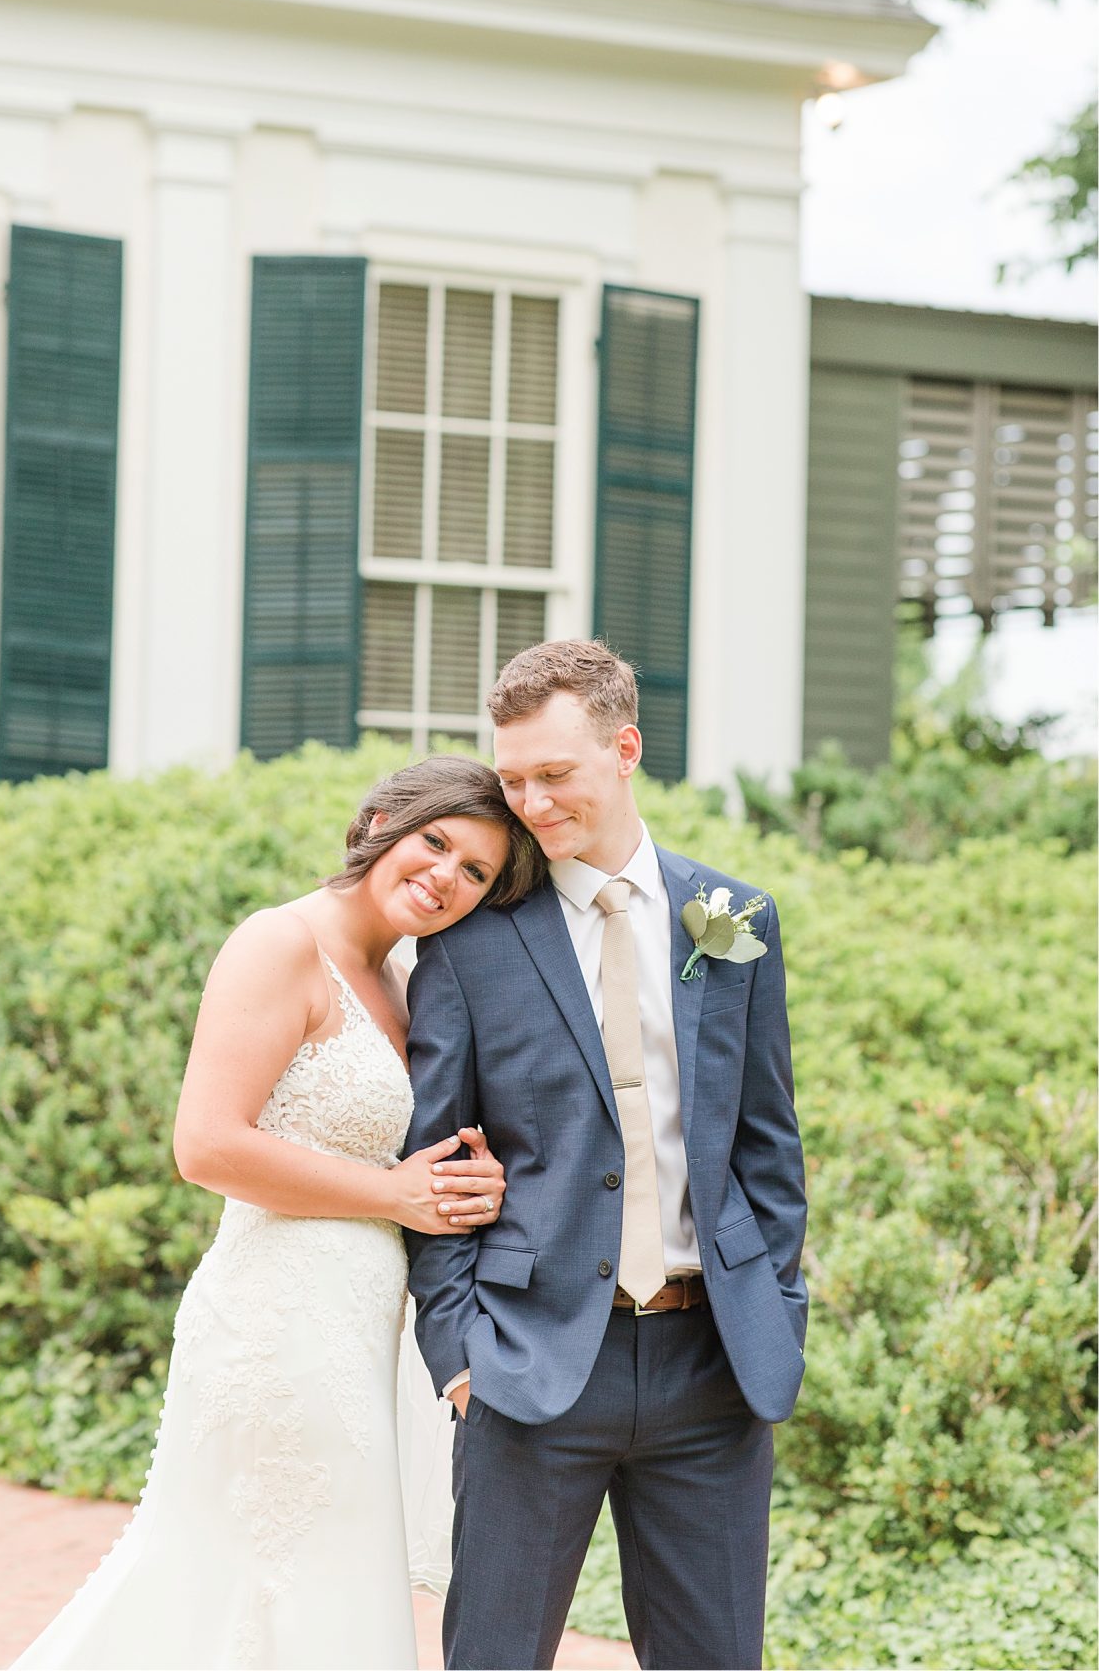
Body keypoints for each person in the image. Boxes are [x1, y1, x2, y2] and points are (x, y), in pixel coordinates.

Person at [10, 753, 544, 1671]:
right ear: (381, 821)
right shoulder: (280, 943)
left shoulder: (411, 981)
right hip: (274, 1322)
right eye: (436, 843)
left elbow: (411, 1149)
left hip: (361, 1322)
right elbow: (207, 1145)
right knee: (253, 1580)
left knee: (325, 1587)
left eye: (475, 873)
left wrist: (468, 1181)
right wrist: (397, 1195)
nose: (445, 878)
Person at [404, 639, 808, 1671]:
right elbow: (434, 1156)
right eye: (513, 778)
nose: (529, 803)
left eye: (554, 773)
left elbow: (768, 1147)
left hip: (710, 1367)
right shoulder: (469, 944)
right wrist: (459, 1355)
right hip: (529, 1364)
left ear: (624, 748)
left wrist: (773, 1309)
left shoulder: (733, 919)